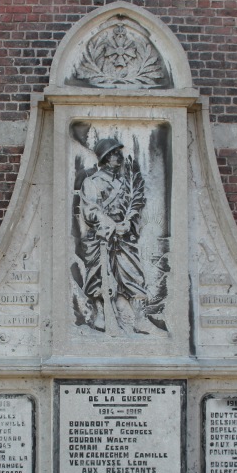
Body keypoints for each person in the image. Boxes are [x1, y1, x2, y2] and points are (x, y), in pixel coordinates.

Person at [77, 138, 149, 333]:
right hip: (101, 237)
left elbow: (136, 202)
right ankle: (101, 314)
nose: (120, 156)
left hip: (124, 237)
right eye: (116, 153)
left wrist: (128, 222)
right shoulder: (92, 182)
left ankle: (139, 319)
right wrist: (111, 225)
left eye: (119, 153)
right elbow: (90, 211)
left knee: (133, 274)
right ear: (107, 158)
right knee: (99, 278)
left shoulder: (126, 181)